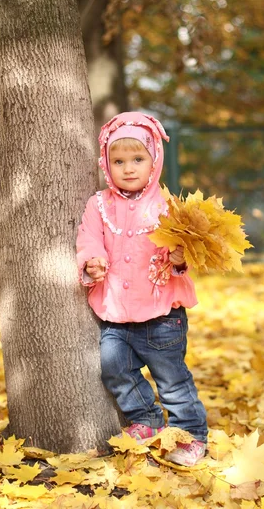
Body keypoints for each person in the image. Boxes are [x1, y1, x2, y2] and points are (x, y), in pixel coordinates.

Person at [76, 111, 207, 467]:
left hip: (162, 316)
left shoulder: (167, 207)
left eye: (138, 159)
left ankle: (192, 435)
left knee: (173, 381)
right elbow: (88, 238)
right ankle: (146, 418)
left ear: (154, 161)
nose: (128, 168)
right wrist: (92, 260)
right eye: (118, 161)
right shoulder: (98, 205)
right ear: (106, 163)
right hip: (116, 313)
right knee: (114, 368)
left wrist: (180, 257)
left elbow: (183, 256)